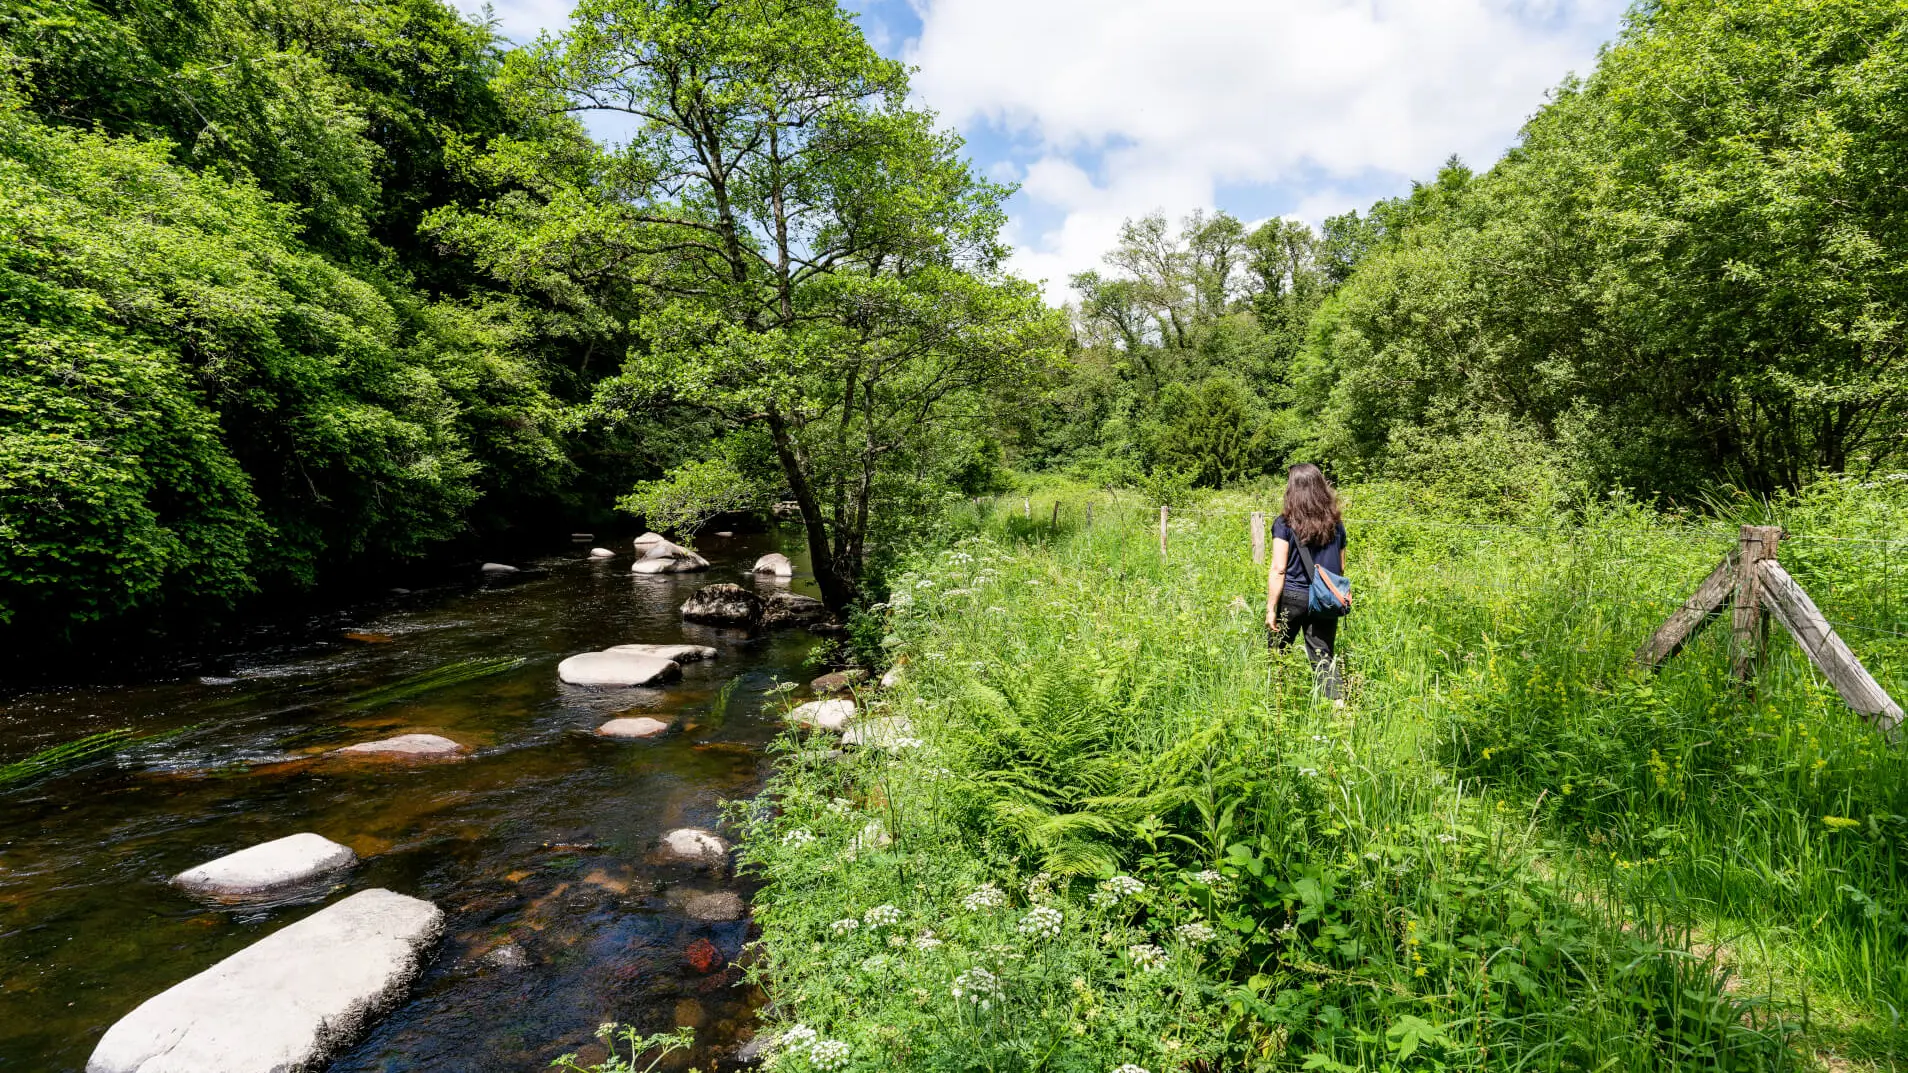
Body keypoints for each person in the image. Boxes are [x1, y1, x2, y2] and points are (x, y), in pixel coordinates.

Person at [1265, 463, 1346, 700]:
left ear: (1293, 490)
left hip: (1293, 596)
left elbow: (1279, 569)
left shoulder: (1284, 523)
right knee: (1323, 657)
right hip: (1325, 600)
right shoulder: (1336, 524)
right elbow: (1339, 567)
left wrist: (1271, 608)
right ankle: (1340, 712)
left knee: (1278, 653)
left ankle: (1279, 704)